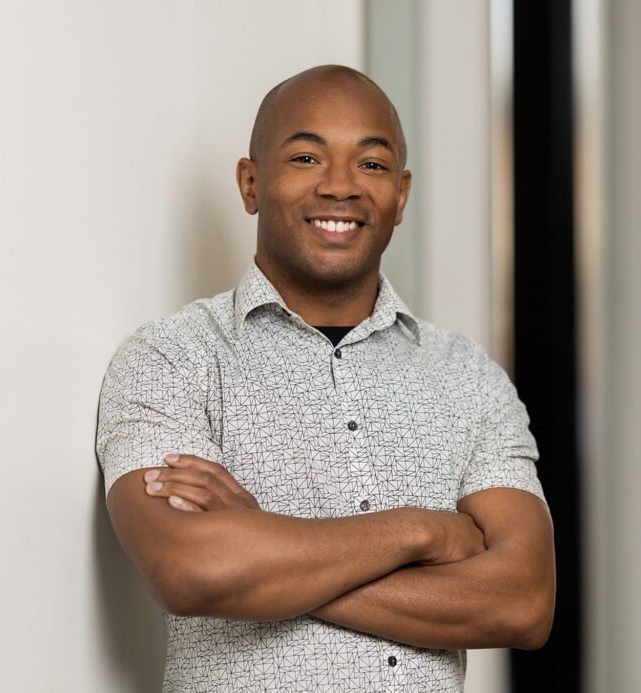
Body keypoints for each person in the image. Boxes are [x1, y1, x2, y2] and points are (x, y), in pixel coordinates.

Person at [96, 64, 555, 692]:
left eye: (371, 164)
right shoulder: (169, 359)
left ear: (401, 193)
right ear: (251, 183)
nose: (340, 187)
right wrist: (423, 531)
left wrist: (264, 548)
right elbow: (191, 572)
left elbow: (524, 602)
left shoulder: (469, 377)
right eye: (307, 157)